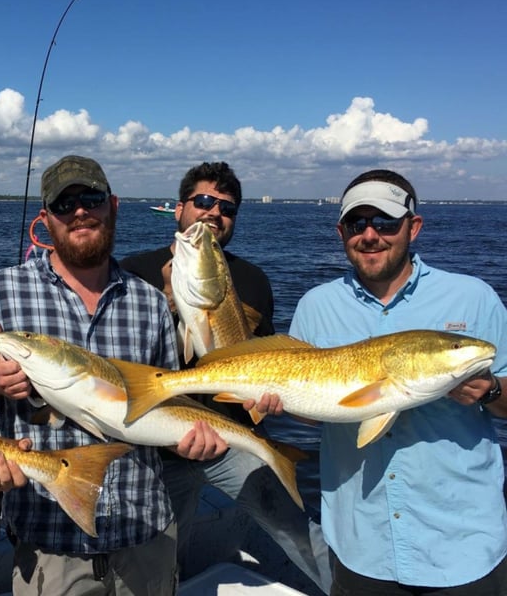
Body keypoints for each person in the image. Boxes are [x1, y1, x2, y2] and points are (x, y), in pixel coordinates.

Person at [0, 154, 224, 595]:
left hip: (146, 529)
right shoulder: (2, 291)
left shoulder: (150, 302)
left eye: (90, 198)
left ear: (113, 204)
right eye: (63, 204)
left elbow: (168, 401)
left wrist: (195, 440)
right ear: (45, 219)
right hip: (52, 539)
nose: (79, 212)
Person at [285, 169, 507, 594]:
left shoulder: (473, 297)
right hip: (360, 543)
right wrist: (278, 402)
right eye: (357, 223)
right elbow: (312, 413)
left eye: (385, 222)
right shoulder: (315, 306)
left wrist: (491, 390)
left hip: (462, 543)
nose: (370, 235)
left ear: (413, 227)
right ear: (341, 231)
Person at [120, 161, 331, 593]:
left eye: (227, 208)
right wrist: (165, 297)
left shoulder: (253, 280)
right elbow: (119, 361)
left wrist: (271, 398)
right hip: (161, 447)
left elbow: (267, 361)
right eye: (203, 201)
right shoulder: (132, 274)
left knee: (294, 526)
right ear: (179, 209)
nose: (214, 213)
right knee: (161, 554)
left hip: (236, 436)